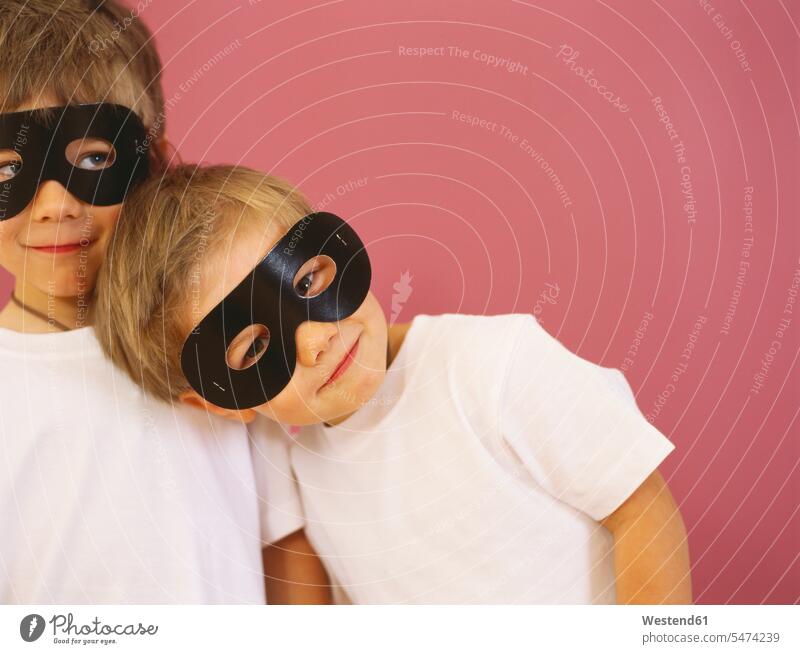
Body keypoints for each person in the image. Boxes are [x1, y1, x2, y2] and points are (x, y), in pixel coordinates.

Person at [95, 163, 693, 604]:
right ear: (222, 406)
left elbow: (641, 509)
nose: (314, 339)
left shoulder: (489, 364)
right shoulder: (297, 461)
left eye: (304, 285)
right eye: (252, 347)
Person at [0, 0, 329, 604]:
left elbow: (283, 540)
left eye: (95, 159)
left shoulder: (227, 336)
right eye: (7, 171)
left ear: (152, 160)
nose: (54, 206)